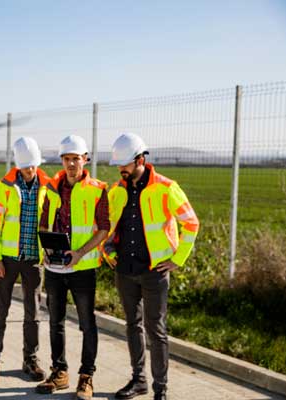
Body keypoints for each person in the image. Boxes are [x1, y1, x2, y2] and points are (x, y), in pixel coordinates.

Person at [104, 133, 199, 400]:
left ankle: (161, 389)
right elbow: (108, 226)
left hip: (154, 271)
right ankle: (139, 381)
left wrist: (177, 259)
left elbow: (192, 223)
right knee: (132, 326)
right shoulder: (117, 190)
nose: (121, 169)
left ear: (140, 159)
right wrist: (107, 249)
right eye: (118, 165)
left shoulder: (166, 187)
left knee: (156, 330)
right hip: (124, 270)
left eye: (125, 164)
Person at [35, 135, 109, 400]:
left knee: (87, 324)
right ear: (62, 161)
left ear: (85, 159)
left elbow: (104, 229)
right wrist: (47, 248)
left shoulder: (98, 189)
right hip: (55, 269)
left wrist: (80, 253)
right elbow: (43, 224)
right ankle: (59, 372)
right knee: (55, 322)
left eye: (75, 159)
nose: (71, 164)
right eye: (66, 159)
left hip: (83, 269)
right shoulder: (52, 188)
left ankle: (86, 377)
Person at [0, 136, 50, 385]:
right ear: (18, 165)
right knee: (0, 312)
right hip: (8, 260)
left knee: (33, 314)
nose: (30, 171)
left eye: (33, 166)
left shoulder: (48, 185)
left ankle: (30, 360)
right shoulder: (5, 185)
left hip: (34, 260)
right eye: (25, 167)